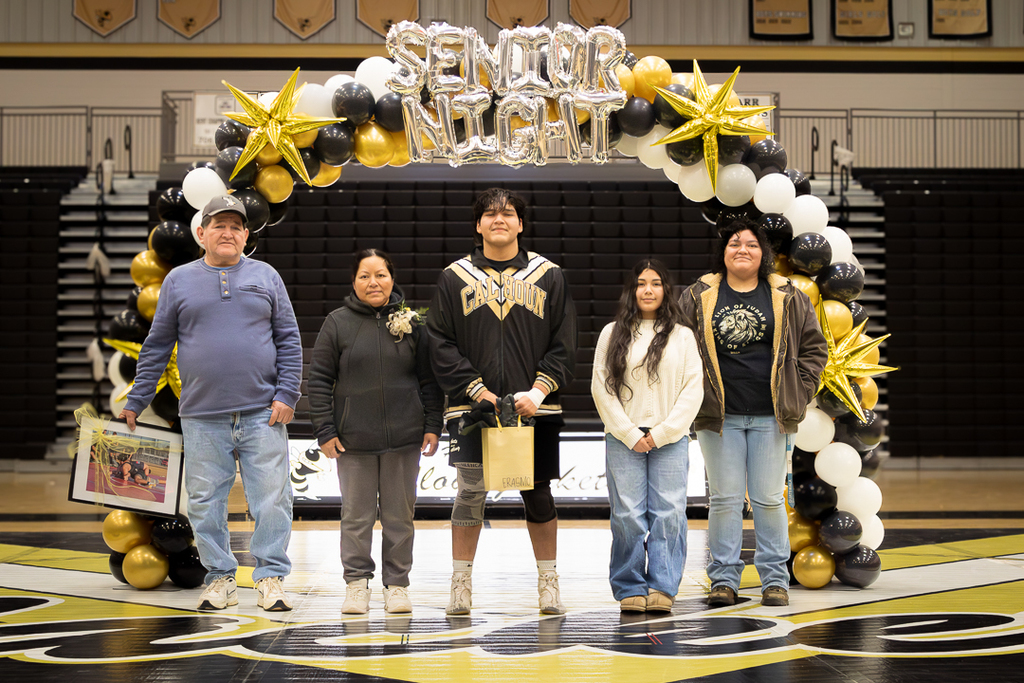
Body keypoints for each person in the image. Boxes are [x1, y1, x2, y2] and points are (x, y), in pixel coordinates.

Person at [120, 195, 302, 613]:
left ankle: (270, 577)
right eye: (219, 225)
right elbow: (157, 345)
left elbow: (289, 340)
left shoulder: (267, 276)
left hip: (263, 412)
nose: (228, 232)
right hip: (201, 416)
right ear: (201, 233)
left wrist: (287, 394)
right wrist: (137, 399)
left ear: (246, 235)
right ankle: (220, 578)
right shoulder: (178, 280)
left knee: (273, 499)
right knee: (204, 502)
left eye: (236, 226)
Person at [427, 187, 577, 616]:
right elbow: (439, 343)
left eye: (508, 213)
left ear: (520, 224)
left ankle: (548, 581)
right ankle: (461, 583)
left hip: (536, 408)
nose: (499, 219)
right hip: (472, 410)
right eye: (490, 214)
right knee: (469, 494)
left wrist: (538, 390)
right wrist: (476, 389)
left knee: (538, 494)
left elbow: (565, 341)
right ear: (478, 225)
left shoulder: (549, 275)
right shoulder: (454, 277)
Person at [679, 218, 827, 608]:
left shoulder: (787, 295)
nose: (742, 249)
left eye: (751, 244)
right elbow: (675, 346)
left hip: (770, 416)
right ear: (723, 252)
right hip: (718, 417)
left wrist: (799, 392)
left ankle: (774, 581)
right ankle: (723, 580)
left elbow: (814, 350)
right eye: (734, 243)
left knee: (768, 499)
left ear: (763, 253)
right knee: (725, 500)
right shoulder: (698, 295)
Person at [307, 249, 444, 615]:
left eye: (380, 274)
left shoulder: (413, 323)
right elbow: (318, 380)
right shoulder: (337, 323)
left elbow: (429, 379)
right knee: (356, 518)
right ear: (354, 282)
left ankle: (397, 586)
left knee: (400, 518)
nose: (373, 282)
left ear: (392, 279)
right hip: (353, 441)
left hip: (405, 438)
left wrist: (433, 424)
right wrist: (325, 430)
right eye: (365, 276)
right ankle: (356, 585)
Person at [591, 259, 703, 613]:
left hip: (670, 439)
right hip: (623, 439)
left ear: (666, 290)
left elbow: (693, 389)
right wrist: (628, 432)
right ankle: (629, 585)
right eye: (641, 283)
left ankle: (663, 586)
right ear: (632, 290)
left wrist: (662, 433)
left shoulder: (682, 336)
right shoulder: (612, 333)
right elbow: (601, 387)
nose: (648, 290)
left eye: (655, 283)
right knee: (627, 515)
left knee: (669, 514)